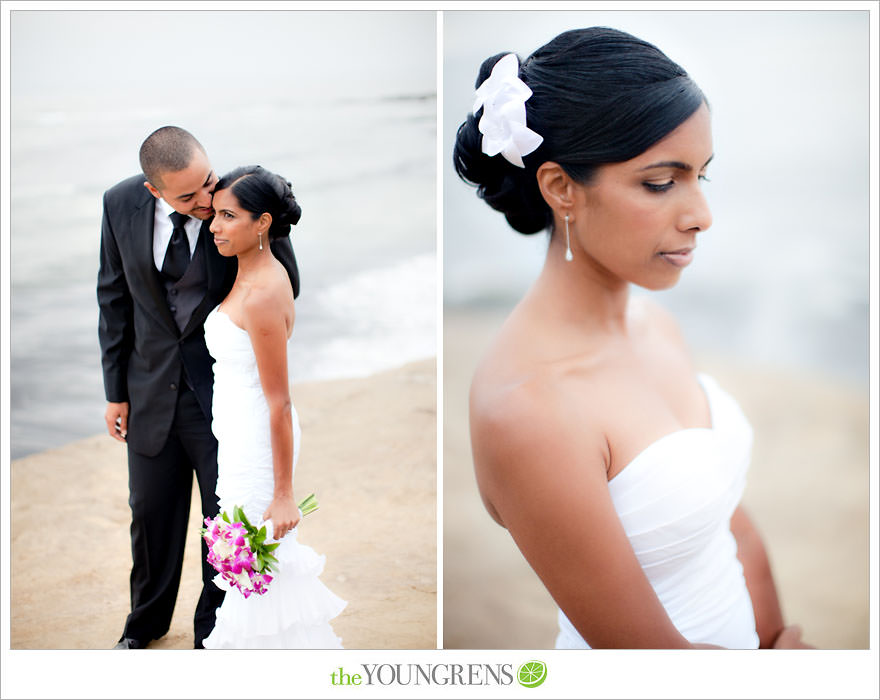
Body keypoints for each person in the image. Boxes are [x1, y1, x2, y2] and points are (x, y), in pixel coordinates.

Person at [454, 27, 812, 649]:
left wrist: (781, 640)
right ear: (560, 187)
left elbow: (731, 527)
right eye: (660, 182)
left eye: (702, 175)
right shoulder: (527, 408)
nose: (701, 214)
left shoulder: (654, 325)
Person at [97, 127, 299, 649]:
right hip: (147, 390)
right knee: (150, 515)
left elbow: (283, 281)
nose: (205, 202)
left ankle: (211, 632)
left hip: (221, 396)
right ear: (153, 191)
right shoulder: (118, 204)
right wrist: (115, 389)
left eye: (207, 183)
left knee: (222, 521)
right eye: (188, 197)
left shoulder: (240, 201)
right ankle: (144, 627)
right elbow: (113, 296)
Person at [200, 165, 345, 649]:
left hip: (258, 444)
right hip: (238, 436)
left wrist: (284, 493)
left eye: (227, 216)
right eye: (215, 214)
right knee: (255, 570)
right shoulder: (251, 272)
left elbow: (280, 403)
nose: (214, 226)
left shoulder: (262, 294)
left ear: (262, 223)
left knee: (260, 568)